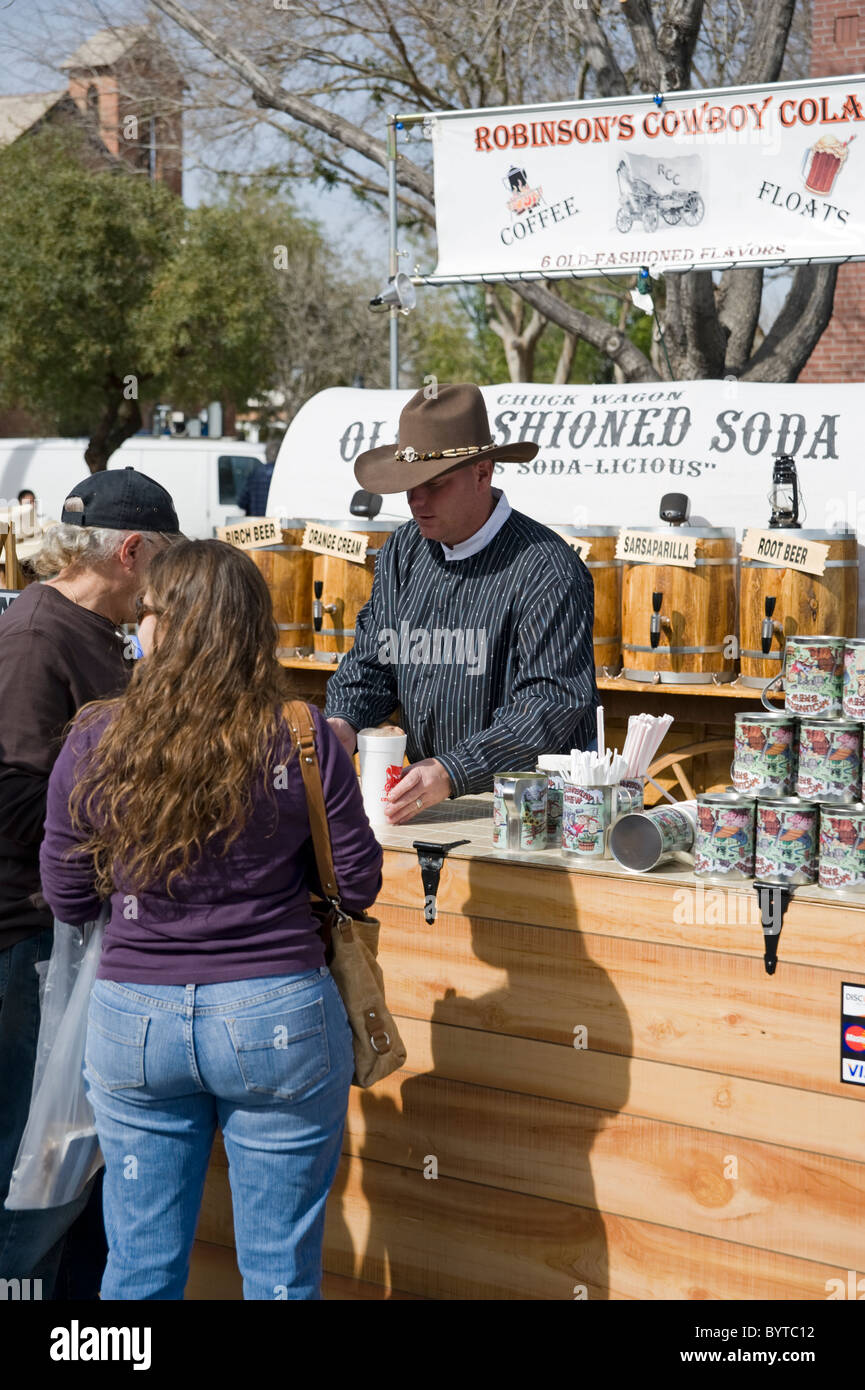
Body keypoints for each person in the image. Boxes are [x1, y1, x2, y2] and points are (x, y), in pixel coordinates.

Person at [39, 539, 382, 1300]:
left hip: (134, 1021)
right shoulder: (301, 733)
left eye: (147, 612)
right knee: (280, 1278)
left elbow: (66, 895)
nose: (136, 624)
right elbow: (357, 882)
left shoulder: (97, 737)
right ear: (248, 629)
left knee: (137, 1269)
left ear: (166, 628)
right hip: (277, 1017)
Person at [0, 466, 182, 1298]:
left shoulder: (94, 629)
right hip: (27, 944)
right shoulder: (39, 635)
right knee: (33, 1171)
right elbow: (12, 800)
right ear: (133, 551)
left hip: (67, 939)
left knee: (78, 1170)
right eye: (169, 563)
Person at [325, 383, 599, 825]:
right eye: (409, 486)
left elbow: (550, 701)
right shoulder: (402, 550)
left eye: (434, 485)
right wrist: (343, 722)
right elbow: (374, 661)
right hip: (426, 796)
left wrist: (455, 769)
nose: (416, 501)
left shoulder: (547, 568)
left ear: (482, 473)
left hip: (529, 811)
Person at [237, 436, 280, 515]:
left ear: (266, 455)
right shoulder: (284, 475)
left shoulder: (255, 474)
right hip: (279, 523)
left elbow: (242, 502)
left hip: (258, 523)